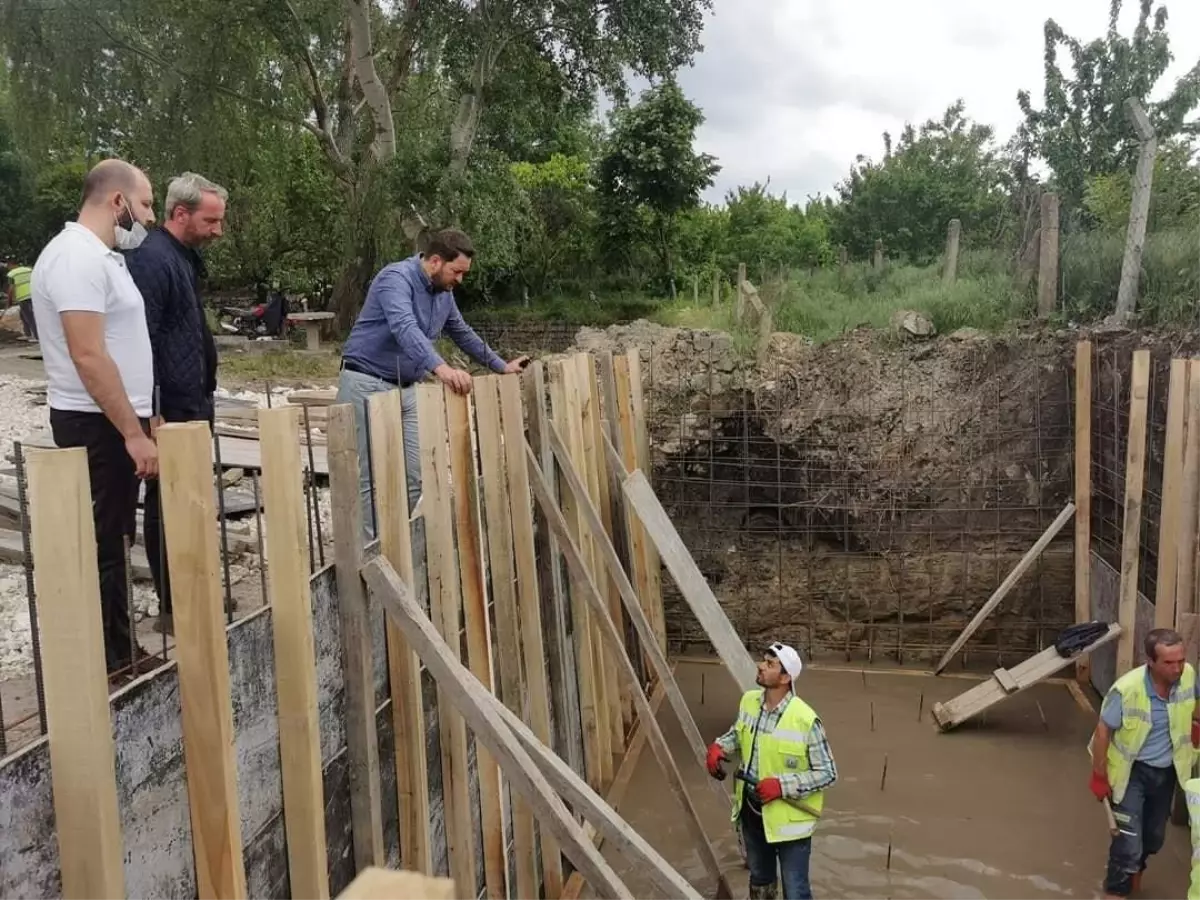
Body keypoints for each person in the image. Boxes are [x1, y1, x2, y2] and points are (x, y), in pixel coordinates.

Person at [30, 158, 159, 677]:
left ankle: (116, 650)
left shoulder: (100, 258)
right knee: (105, 542)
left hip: (117, 420)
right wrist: (131, 431)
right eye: (146, 204)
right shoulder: (74, 259)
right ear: (118, 202)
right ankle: (111, 660)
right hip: (96, 423)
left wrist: (149, 418)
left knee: (115, 535)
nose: (148, 218)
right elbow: (88, 355)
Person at [336, 228, 528, 541]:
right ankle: (368, 556)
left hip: (406, 387)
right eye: (457, 272)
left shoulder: (444, 295)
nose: (460, 280)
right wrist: (442, 369)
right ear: (435, 261)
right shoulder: (395, 279)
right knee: (372, 477)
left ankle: (391, 543)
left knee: (414, 477)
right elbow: (404, 327)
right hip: (366, 382)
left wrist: (501, 366)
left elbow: (462, 332)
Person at [126, 172, 227, 633]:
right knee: (166, 503)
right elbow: (139, 338)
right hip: (170, 404)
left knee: (192, 499)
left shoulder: (181, 258)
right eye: (212, 220)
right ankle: (174, 604)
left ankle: (193, 589)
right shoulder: (152, 260)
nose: (218, 230)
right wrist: (150, 412)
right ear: (180, 213)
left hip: (192, 398)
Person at [706, 643, 837, 900]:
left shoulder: (805, 720)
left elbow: (828, 772)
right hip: (752, 812)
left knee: (795, 890)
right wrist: (719, 746)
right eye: (763, 660)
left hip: (789, 822)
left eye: (770, 664)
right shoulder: (749, 701)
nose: (761, 666)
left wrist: (781, 786)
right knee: (760, 881)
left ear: (786, 678)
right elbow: (739, 733)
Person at [1089, 627, 1200, 898]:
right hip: (1131, 774)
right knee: (1127, 844)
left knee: (1153, 839)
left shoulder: (1188, 676)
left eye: (1181, 660)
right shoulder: (1126, 689)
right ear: (1150, 661)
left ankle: (1134, 881)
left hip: (1167, 773)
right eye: (1169, 663)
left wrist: (1196, 723)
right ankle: (1116, 892)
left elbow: (1195, 699)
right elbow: (1104, 730)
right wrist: (1099, 775)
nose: (1177, 668)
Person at [5, 261, 36, 340]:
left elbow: (11, 288)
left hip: (23, 297)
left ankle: (36, 336)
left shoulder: (12, 274)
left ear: (11, 265)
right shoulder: (29, 270)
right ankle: (28, 334)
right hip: (34, 295)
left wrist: (9, 301)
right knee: (23, 315)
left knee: (29, 316)